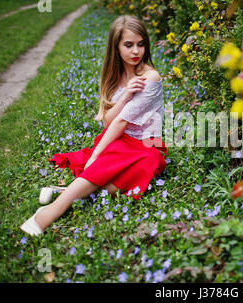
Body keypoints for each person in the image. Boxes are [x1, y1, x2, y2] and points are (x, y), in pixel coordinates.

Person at [20, 15, 167, 236]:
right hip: (117, 140)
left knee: (151, 160)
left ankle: (67, 193)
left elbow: (121, 122)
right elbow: (109, 121)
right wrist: (126, 95)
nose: (136, 51)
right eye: (128, 45)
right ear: (116, 47)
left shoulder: (151, 77)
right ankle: (48, 213)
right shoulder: (115, 76)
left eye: (141, 44)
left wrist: (94, 157)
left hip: (146, 144)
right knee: (112, 164)